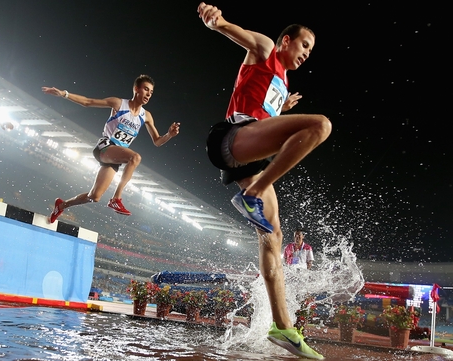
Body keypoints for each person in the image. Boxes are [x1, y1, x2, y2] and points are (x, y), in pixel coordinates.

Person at [198, 3, 331, 359]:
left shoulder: (282, 80)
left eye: (310, 51)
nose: (306, 54)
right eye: (304, 45)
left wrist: (280, 109)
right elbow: (231, 30)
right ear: (286, 40)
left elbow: (258, 107)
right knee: (320, 125)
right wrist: (217, 20)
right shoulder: (266, 49)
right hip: (231, 138)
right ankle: (251, 194)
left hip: (247, 156)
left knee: (274, 238)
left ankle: (282, 327)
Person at [42, 75, 180, 222]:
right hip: (105, 147)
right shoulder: (119, 104)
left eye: (151, 92)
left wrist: (169, 135)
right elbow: (88, 102)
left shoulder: (146, 116)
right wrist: (64, 93)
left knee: (94, 197)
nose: (148, 94)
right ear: (136, 89)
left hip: (116, 157)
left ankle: (62, 205)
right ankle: (116, 198)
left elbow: (157, 141)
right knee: (135, 158)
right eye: (146, 89)